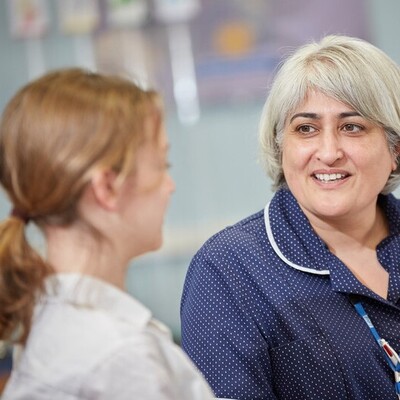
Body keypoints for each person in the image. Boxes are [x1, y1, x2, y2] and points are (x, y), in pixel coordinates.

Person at [180, 35, 400, 400]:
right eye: (306, 129)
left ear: (395, 150)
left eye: (352, 127)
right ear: (281, 148)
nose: (328, 153)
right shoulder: (228, 270)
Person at [0, 68, 214, 399]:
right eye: (161, 166)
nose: (169, 186)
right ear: (107, 188)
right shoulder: (121, 358)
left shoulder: (45, 320)